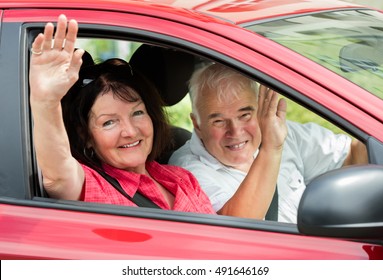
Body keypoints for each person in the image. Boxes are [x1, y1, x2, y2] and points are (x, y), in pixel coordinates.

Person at [29, 15, 285, 219]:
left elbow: (226, 237)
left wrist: (271, 145)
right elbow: (58, 176)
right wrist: (45, 101)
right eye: (109, 122)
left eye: (137, 113)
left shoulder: (179, 179)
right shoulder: (95, 187)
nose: (130, 131)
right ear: (86, 136)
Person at [169, 63, 368, 223]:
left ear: (260, 110)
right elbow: (235, 228)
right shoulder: (186, 170)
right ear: (197, 124)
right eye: (219, 121)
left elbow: (353, 154)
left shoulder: (277, 132)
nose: (236, 132)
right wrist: (272, 149)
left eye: (245, 115)